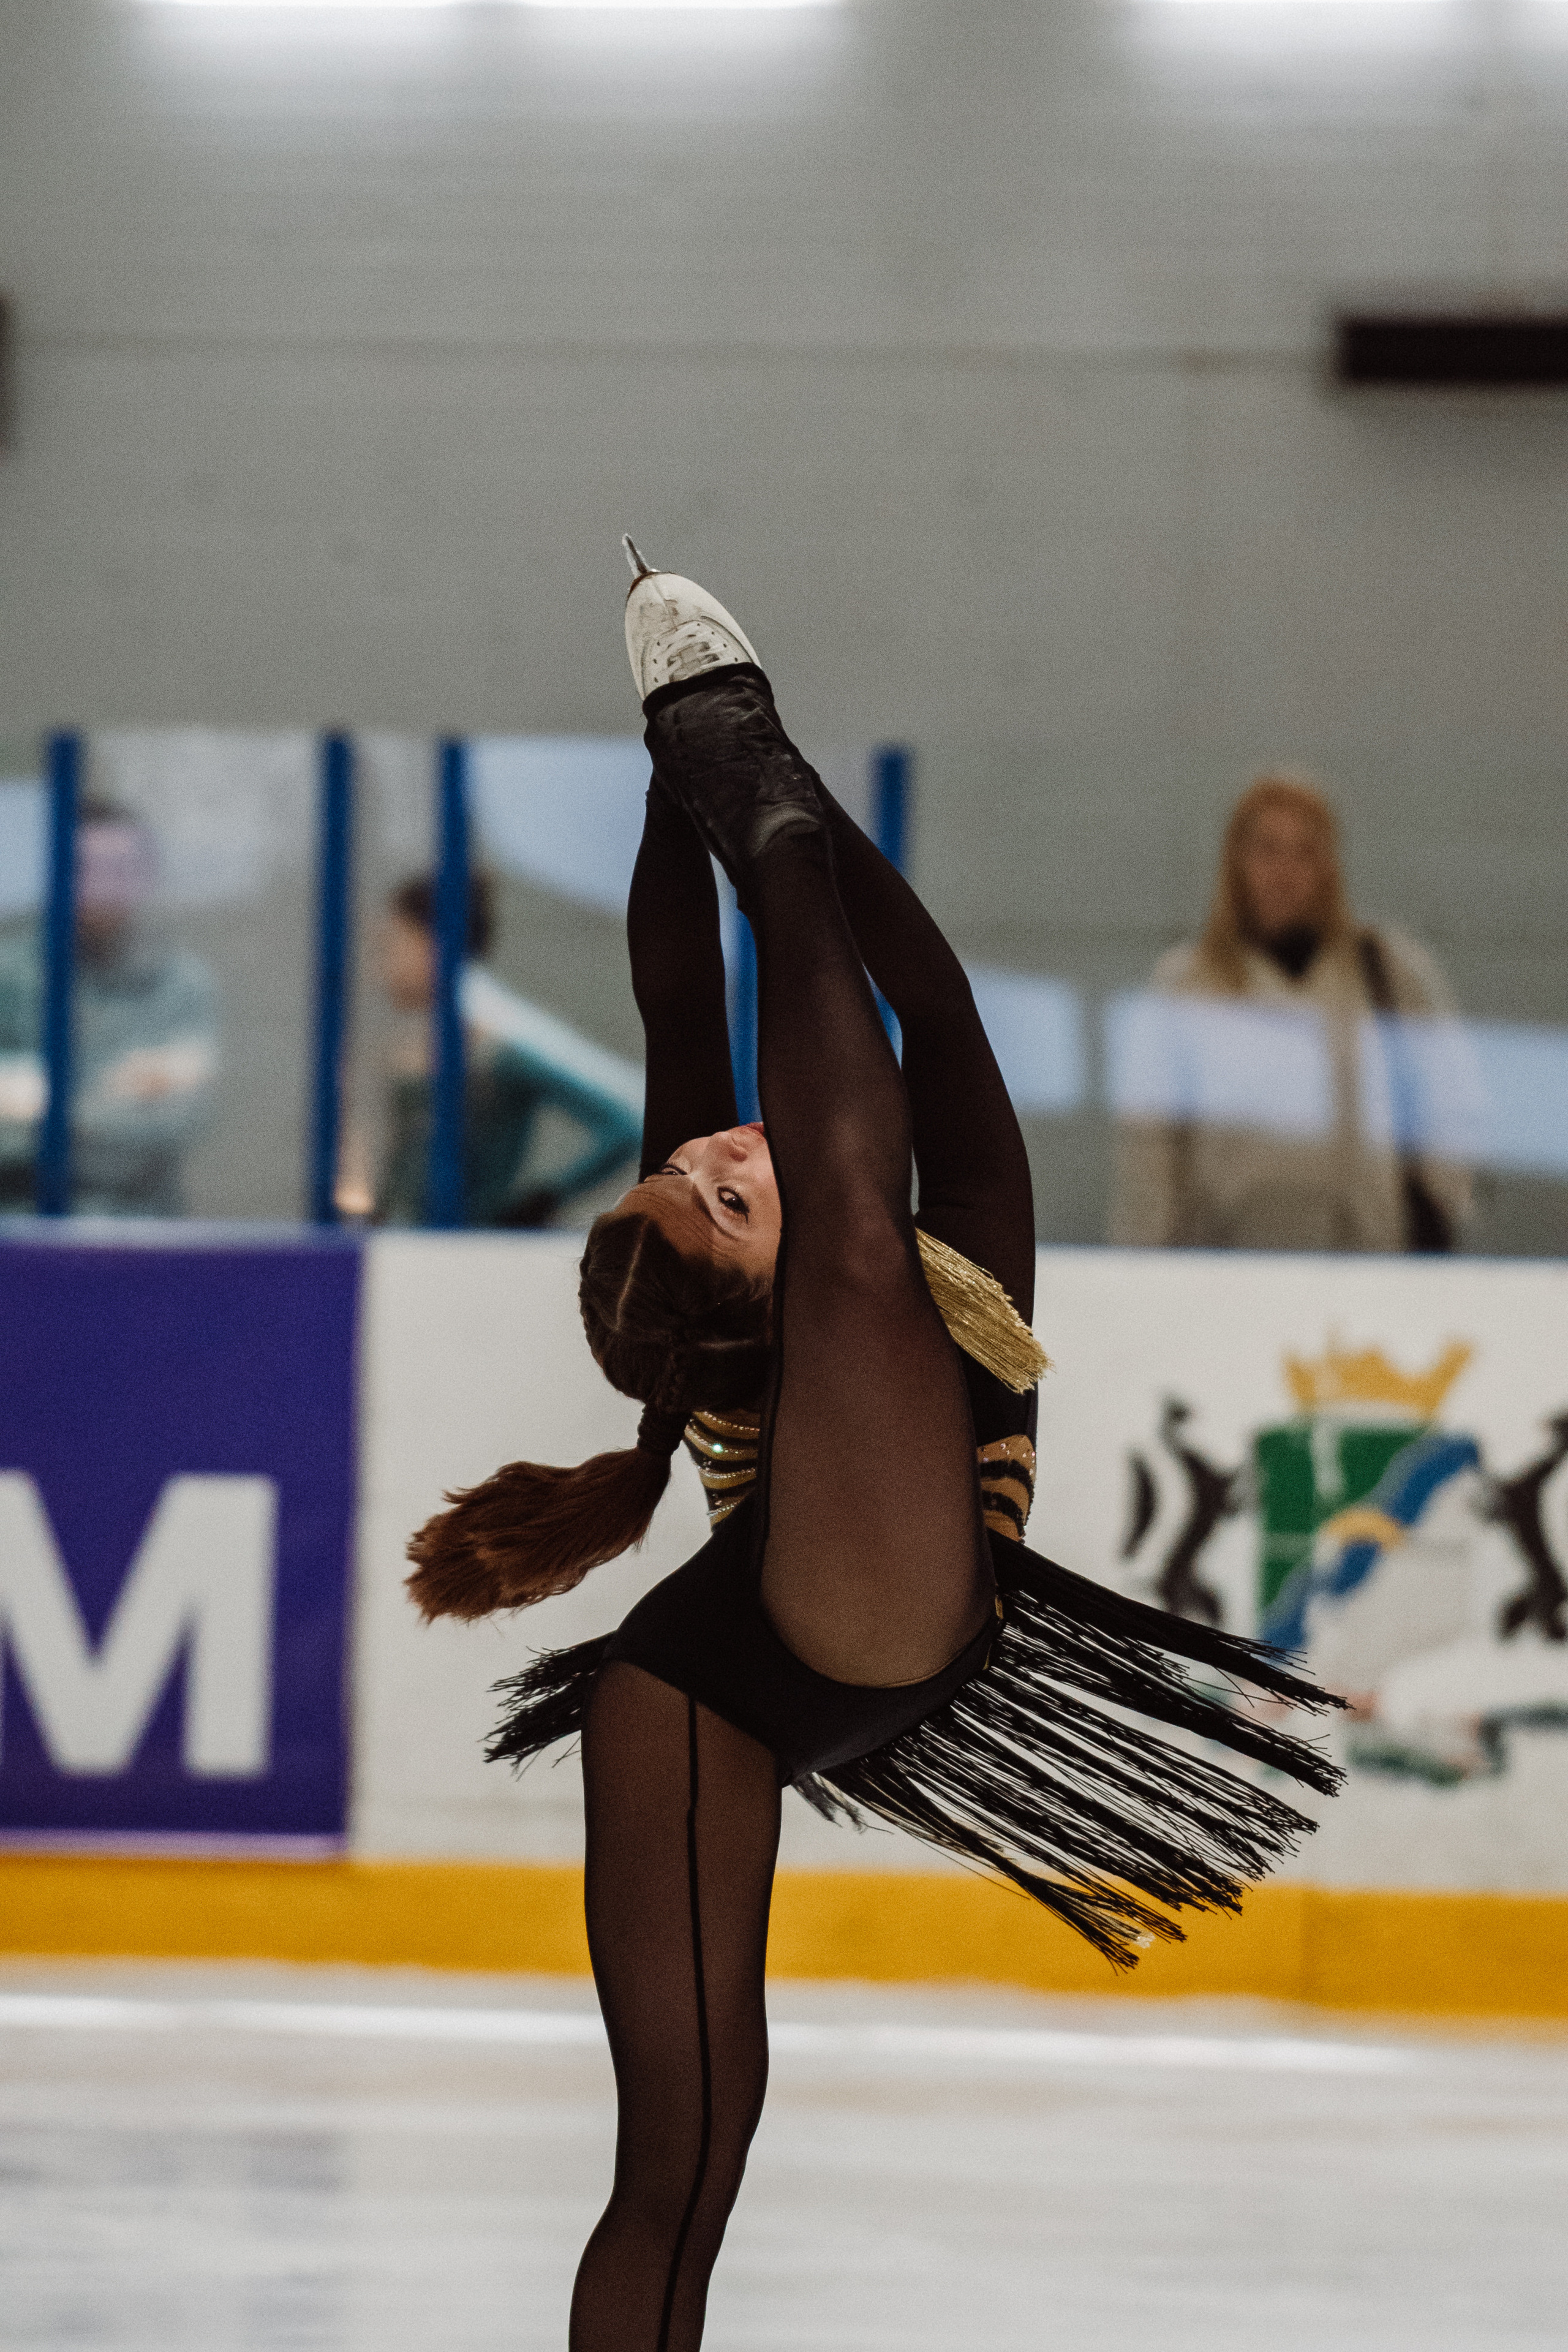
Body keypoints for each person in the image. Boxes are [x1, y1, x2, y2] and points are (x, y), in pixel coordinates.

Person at [406, 552, 1343, 2352]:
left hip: (855, 1606)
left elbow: (871, 995)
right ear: (742, 1289)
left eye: (708, 1161)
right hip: (731, 1666)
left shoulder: (934, 1243)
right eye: (712, 1189)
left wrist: (706, 792)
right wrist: (736, 751)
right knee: (674, 2167)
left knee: (858, 1220)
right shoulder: (831, 1265)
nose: (720, 1148)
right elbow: (832, 1091)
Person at [1109, 774, 1473, 1253]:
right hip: (1223, 1268)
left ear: (1329, 866)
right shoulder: (1184, 987)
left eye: (1306, 852)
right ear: (1235, 862)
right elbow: (1149, 1149)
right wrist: (1144, 1267)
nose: (1285, 871)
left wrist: (1442, 1206)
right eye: (1267, 850)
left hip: (1369, 1262)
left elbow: (1448, 1102)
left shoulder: (1388, 974)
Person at [373, 869, 641, 1227]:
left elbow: (624, 1127)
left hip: (473, 1249)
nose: (383, 967)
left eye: (395, 945)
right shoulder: (412, 1050)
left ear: (433, 944)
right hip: (400, 1250)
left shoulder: (497, 1052)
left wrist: (542, 1200)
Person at [0, 799, 218, 1215]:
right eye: (89, 870)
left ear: (147, 877)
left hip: (141, 1231)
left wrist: (36, 1103)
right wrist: (120, 1091)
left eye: (123, 871)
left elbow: (172, 1126)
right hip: (15, 1228)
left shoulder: (181, 986)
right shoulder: (7, 977)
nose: (105, 887)